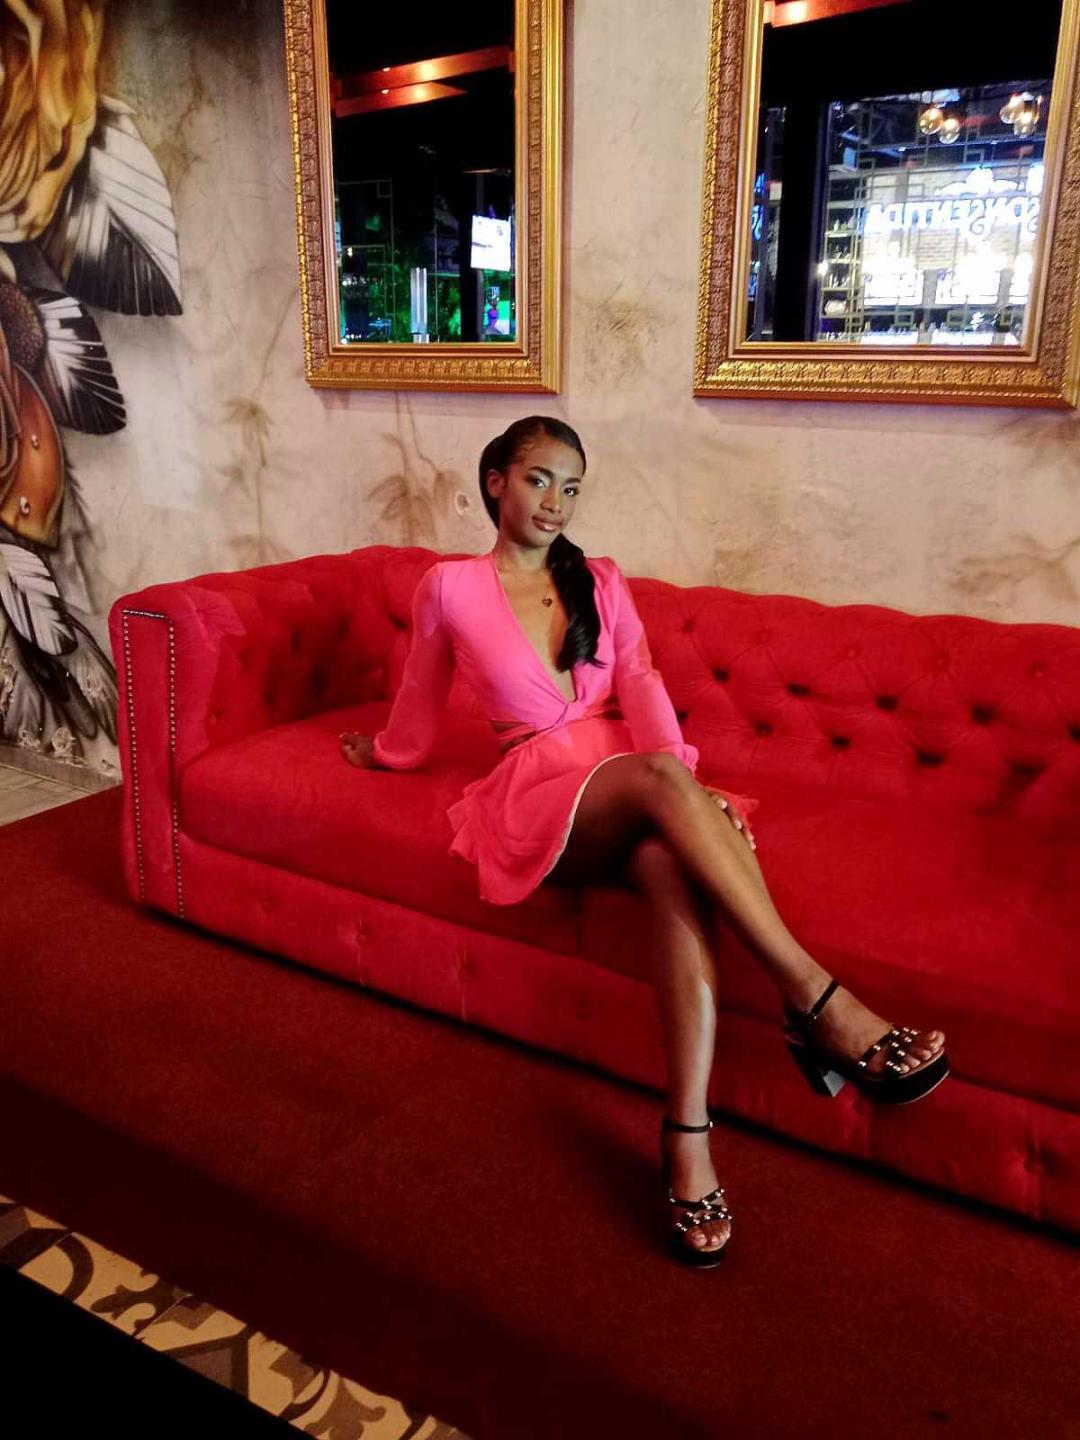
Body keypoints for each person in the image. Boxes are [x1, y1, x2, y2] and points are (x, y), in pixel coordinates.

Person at [341, 416, 950, 1269]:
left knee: (671, 866)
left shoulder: (600, 579)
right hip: (539, 793)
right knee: (663, 782)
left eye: (572, 487)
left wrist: (686, 791)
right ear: (495, 482)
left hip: (632, 779)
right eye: (539, 480)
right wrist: (384, 752)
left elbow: (639, 680)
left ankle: (686, 1136)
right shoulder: (448, 586)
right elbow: (420, 696)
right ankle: (816, 1002)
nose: (556, 502)